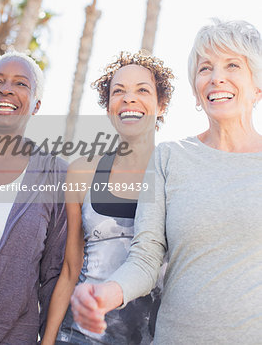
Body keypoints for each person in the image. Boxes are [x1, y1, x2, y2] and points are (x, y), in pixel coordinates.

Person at [71, 19, 262, 344]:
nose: (217, 77)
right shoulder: (169, 158)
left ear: (257, 85)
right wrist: (105, 294)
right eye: (205, 68)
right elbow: (145, 258)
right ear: (196, 90)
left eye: (233, 64)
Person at [41, 51, 174, 345]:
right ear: (109, 106)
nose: (129, 98)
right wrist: (47, 341)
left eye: (142, 90)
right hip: (80, 336)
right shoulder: (82, 172)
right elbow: (70, 270)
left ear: (161, 105)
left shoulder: (177, 175)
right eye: (118, 91)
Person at [0, 51, 67, 345]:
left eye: (21, 83)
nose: (6, 88)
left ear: (36, 105)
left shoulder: (54, 175)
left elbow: (56, 274)